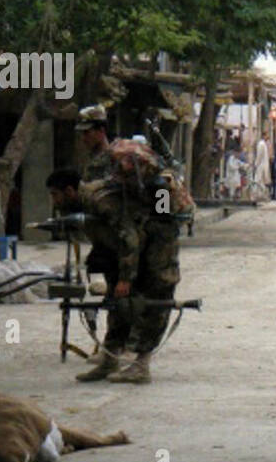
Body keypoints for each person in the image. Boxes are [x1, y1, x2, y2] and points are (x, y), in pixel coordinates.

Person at [47, 162, 182, 385]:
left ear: (70, 191)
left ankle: (141, 365)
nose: (55, 201)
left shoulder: (100, 202)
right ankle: (110, 360)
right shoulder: (87, 202)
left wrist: (125, 278)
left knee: (151, 303)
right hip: (130, 251)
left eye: (56, 195)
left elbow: (130, 238)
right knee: (117, 304)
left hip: (158, 247)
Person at [76, 104, 112, 181]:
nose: (83, 138)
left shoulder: (113, 159)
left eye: (86, 132)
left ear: (101, 131)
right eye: (81, 133)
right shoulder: (89, 159)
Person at [252, 134, 271, 202]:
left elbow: (260, 156)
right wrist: (256, 164)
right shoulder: (262, 144)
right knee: (259, 181)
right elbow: (260, 155)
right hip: (261, 165)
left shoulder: (262, 144)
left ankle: (259, 196)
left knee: (259, 180)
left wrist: (256, 164)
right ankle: (259, 196)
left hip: (261, 165)